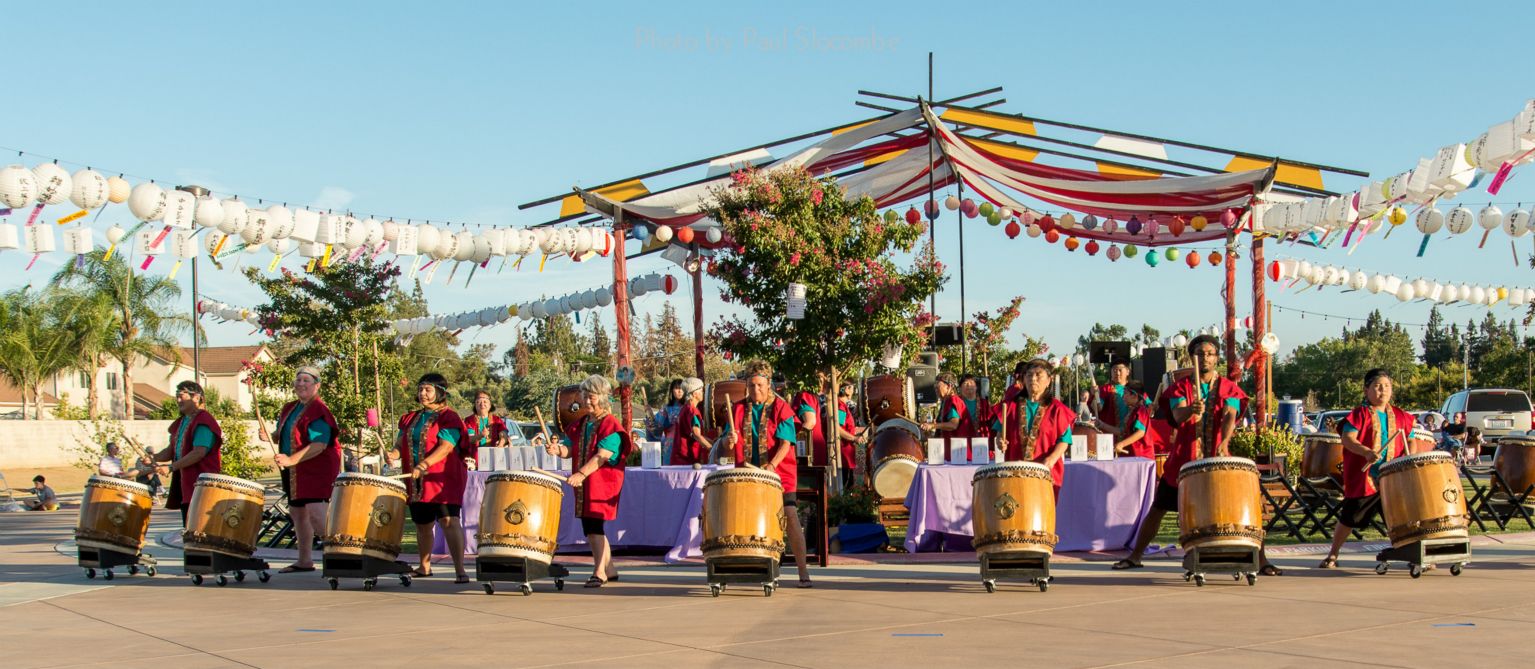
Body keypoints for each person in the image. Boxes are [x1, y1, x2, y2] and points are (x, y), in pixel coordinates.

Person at [1113, 335, 1282, 576]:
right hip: (1184, 461)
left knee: (1247, 506)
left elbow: (1230, 414)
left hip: (1218, 459)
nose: (1206, 357)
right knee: (1158, 507)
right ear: (1192, 357)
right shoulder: (1181, 388)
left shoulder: (1227, 387)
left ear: (1216, 358)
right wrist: (1191, 410)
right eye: (1201, 353)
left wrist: (1224, 442)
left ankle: (1262, 559)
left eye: (1211, 353)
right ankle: (1135, 556)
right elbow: (1178, 416)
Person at [1318, 369, 1418, 569]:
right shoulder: (1359, 414)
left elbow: (1411, 439)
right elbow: (1348, 439)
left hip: (1393, 478)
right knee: (1350, 516)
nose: (1383, 391)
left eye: (1387, 386)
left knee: (1401, 518)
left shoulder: (1401, 416)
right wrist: (1365, 452)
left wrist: (1409, 456)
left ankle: (1414, 555)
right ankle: (1333, 554)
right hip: (1367, 477)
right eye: (1378, 387)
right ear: (1366, 390)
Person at [727, 359, 812, 587]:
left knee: (790, 516)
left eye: (760, 385)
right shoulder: (737, 408)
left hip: (779, 473)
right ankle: (758, 568)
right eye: (751, 385)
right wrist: (730, 440)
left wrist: (772, 466)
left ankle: (803, 572)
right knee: (750, 520)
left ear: (769, 384)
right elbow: (728, 443)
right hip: (748, 474)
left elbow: (786, 444)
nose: (756, 390)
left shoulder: (781, 408)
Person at [546, 374, 632, 587]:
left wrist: (581, 474)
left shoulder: (610, 424)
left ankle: (599, 571)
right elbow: (569, 449)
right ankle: (609, 569)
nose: (586, 400)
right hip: (585, 483)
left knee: (594, 527)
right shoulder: (582, 422)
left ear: (602, 397)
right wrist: (557, 450)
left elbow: (602, 456)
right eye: (585, 395)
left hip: (601, 483)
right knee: (592, 527)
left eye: (591, 396)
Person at [390, 373, 469, 583]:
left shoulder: (449, 417)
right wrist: (393, 455)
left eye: (428, 390)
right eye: (421, 389)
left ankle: (460, 569)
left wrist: (425, 464)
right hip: (416, 479)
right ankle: (424, 566)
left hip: (443, 478)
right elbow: (400, 444)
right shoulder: (410, 418)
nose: (423, 393)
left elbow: (446, 447)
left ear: (440, 393)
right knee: (422, 524)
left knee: (448, 520)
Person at [266, 366, 341, 574]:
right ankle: (304, 560)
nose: (301, 384)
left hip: (316, 469)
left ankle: (338, 557)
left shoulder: (318, 410)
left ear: (317, 385)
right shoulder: (289, 407)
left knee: (318, 515)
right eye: (298, 380)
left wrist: (291, 459)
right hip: (294, 472)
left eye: (306, 380)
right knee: (297, 513)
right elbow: (287, 433)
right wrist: (271, 436)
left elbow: (319, 444)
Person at [991, 359, 1074, 493]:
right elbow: (1000, 431)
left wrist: (1052, 459)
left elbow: (1065, 440)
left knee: (1042, 512)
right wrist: (1000, 440)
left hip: (1046, 471)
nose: (1033, 379)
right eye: (1029, 375)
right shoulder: (1010, 406)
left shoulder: (1057, 409)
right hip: (1015, 472)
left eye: (1038, 375)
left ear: (1048, 380)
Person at [155, 381, 223, 528]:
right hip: (186, 485)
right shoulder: (182, 422)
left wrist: (171, 467)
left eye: (181, 396)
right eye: (177, 397)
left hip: (201, 485)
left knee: (199, 531)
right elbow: (171, 451)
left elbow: (198, 453)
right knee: (189, 529)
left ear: (196, 398)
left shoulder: (204, 421)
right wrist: (153, 458)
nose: (178, 400)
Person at [924, 373, 973, 462]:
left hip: (959, 456)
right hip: (954, 455)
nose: (935, 389)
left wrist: (932, 426)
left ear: (949, 386)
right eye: (934, 386)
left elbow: (953, 424)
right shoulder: (946, 402)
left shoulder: (953, 400)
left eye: (938, 385)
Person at [464, 389, 511, 468]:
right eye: (479, 401)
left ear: (490, 405)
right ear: (475, 405)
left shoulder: (497, 420)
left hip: (495, 461)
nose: (482, 404)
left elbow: (504, 434)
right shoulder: (469, 420)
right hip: (474, 462)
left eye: (485, 402)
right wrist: (480, 436)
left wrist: (501, 443)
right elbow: (468, 438)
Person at [670, 377, 710, 466]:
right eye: (701, 390)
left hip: (679, 459)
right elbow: (696, 435)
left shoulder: (685, 408)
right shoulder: (692, 411)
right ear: (695, 393)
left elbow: (691, 434)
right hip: (686, 460)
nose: (702, 393)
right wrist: (712, 449)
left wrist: (712, 442)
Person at [1109, 381, 1153, 459]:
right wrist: (1101, 425)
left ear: (1134, 395)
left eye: (1125, 393)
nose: (1123, 397)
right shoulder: (1133, 411)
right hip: (1134, 456)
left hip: (1142, 457)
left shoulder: (1141, 410)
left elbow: (1140, 432)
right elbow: (1122, 431)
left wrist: (1122, 444)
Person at [1093, 360, 1133, 434]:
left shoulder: (1135, 388)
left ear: (1127, 371)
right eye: (1114, 370)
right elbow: (1098, 407)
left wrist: (1153, 406)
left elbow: (1149, 407)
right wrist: (1095, 395)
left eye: (1120, 370)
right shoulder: (1106, 389)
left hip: (1132, 436)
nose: (1117, 373)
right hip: (1112, 435)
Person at [836, 383, 864, 489]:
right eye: (852, 388)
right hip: (843, 453)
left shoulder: (842, 406)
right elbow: (837, 429)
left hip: (846, 453)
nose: (853, 391)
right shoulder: (840, 407)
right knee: (846, 485)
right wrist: (854, 438)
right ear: (846, 390)